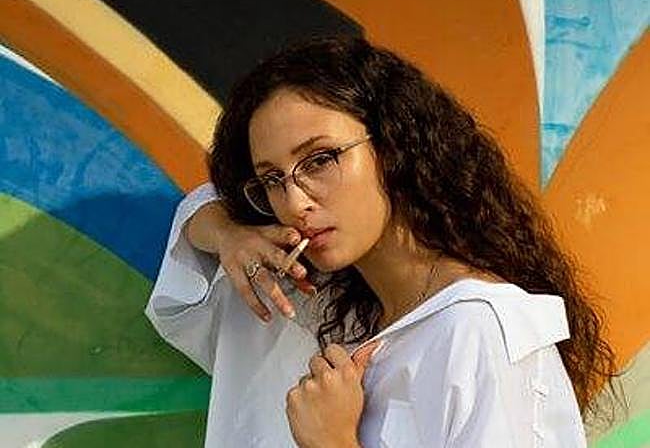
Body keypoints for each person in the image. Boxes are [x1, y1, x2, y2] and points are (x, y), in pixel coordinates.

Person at [145, 36, 617, 447]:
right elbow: (199, 210)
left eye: (320, 159)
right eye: (272, 179)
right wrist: (230, 235)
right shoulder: (328, 305)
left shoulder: (480, 328)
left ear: (393, 145)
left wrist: (332, 443)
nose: (294, 202)